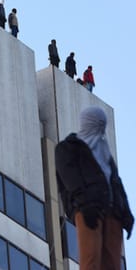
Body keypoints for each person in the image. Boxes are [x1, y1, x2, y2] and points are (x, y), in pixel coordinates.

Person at [55, 107, 133, 270]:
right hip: (89, 209)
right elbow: (71, 178)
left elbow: (116, 183)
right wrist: (84, 204)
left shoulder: (105, 154)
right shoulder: (69, 148)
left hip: (113, 212)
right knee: (91, 258)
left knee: (112, 263)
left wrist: (126, 213)